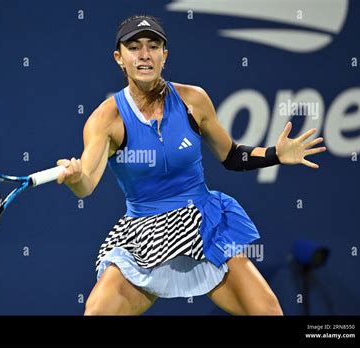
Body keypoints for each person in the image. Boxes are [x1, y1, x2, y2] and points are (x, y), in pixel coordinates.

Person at [55, 15, 327, 315]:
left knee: (268, 312)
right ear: (119, 58)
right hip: (143, 235)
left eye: (153, 46)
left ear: (164, 55)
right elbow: (86, 185)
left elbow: (232, 155)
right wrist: (76, 177)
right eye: (134, 47)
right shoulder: (106, 119)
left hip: (203, 223)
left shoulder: (193, 100)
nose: (144, 55)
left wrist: (276, 153)